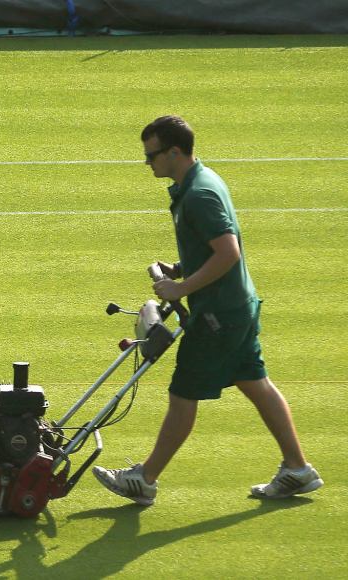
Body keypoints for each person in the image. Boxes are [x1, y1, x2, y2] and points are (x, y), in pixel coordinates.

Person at [92, 115, 322, 505]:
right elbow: (211, 248)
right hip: (236, 308)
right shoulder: (196, 184)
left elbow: (228, 252)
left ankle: (144, 479)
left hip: (218, 317)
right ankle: (297, 469)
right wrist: (181, 269)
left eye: (151, 156)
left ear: (175, 152)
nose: (148, 163)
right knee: (256, 383)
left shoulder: (199, 194)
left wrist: (180, 286)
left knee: (183, 393)